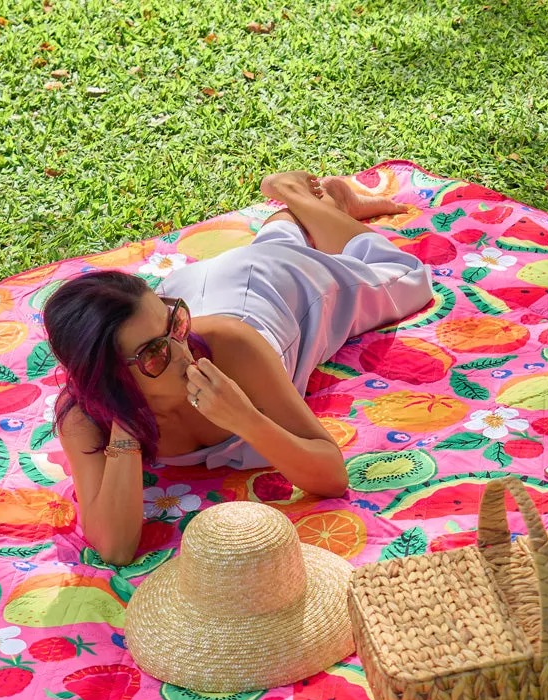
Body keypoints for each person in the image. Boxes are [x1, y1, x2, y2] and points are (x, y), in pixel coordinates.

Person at [44, 170, 432, 565]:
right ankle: (291, 219)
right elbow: (115, 547)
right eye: (153, 353)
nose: (183, 352)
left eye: (174, 322)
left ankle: (311, 202)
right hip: (216, 284)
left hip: (280, 293)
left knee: (409, 278)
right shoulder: (87, 416)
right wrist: (124, 416)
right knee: (270, 250)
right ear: (108, 375)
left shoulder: (232, 347)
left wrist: (245, 418)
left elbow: (332, 477)